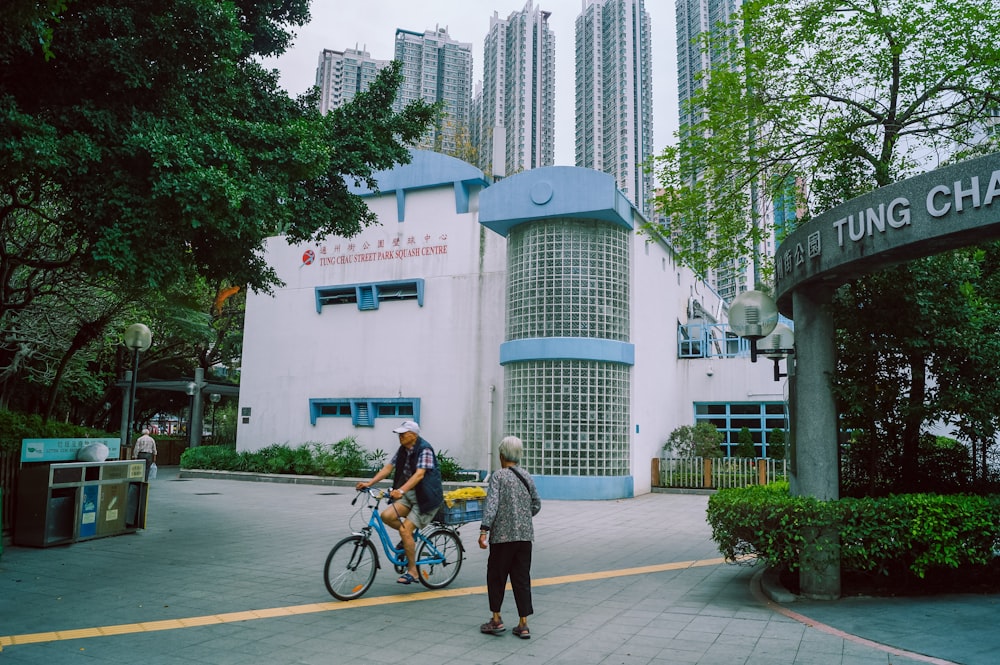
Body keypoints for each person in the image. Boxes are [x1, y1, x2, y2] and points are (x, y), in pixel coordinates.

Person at [356, 420, 443, 585]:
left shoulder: (424, 449)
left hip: (426, 499)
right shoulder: (404, 449)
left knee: (404, 531)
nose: (400, 437)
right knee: (386, 516)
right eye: (399, 434)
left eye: (403, 434)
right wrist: (369, 483)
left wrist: (401, 490)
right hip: (410, 495)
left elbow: (419, 475)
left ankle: (413, 572)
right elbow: (388, 468)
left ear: (413, 435)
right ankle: (408, 538)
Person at [478, 436, 541, 639]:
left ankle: (496, 619)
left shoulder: (499, 476)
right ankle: (523, 624)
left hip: (502, 538)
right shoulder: (526, 475)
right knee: (521, 579)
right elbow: (536, 504)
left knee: (497, 577)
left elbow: (492, 505)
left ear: (502, 454)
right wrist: (522, 517)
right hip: (524, 538)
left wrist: (483, 530)